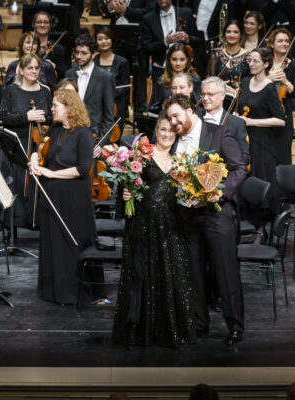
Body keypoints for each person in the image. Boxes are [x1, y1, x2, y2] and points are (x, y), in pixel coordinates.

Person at [163, 94, 247, 345]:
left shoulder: (219, 133)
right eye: (169, 118)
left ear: (190, 111)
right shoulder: (174, 141)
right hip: (187, 214)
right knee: (195, 273)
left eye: (176, 116)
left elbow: (239, 168)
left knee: (225, 271)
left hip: (216, 214)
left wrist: (222, 191)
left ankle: (235, 326)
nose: (173, 122)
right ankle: (200, 324)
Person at [112, 115, 196, 348]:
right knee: (142, 275)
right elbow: (124, 185)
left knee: (169, 275)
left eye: (171, 131)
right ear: (156, 132)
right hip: (143, 224)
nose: (166, 135)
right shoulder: (142, 156)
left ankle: (166, 330)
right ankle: (140, 333)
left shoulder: (181, 160)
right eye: (162, 130)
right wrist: (125, 193)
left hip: (170, 226)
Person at [29, 89, 102, 305]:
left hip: (74, 199)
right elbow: (39, 146)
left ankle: (74, 292)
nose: (51, 109)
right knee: (54, 244)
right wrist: (35, 159)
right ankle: (54, 292)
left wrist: (52, 173)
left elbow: (82, 168)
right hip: (52, 196)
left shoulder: (84, 134)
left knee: (71, 246)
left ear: (69, 108)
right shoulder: (55, 129)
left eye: (55, 106)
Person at [236, 47, 285, 243]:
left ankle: (261, 229)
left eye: (255, 61)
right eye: (249, 60)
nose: (251, 63)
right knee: (244, 183)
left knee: (260, 183)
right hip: (245, 141)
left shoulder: (269, 88)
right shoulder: (245, 82)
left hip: (262, 143)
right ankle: (246, 225)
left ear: (266, 64)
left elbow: (280, 120)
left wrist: (253, 122)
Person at [0, 53, 52, 230]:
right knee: (15, 187)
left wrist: (45, 120)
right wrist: (26, 116)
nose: (34, 71)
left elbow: (51, 118)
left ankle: (34, 223)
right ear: (21, 70)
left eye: (37, 68)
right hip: (15, 146)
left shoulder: (45, 91)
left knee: (33, 189)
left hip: (37, 146)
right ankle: (11, 228)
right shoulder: (11, 90)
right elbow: (3, 116)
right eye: (30, 68)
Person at [65, 34, 115, 153]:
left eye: (84, 53)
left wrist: (100, 144)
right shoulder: (69, 74)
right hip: (69, 134)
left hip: (93, 138)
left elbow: (109, 117)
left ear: (94, 54)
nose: (79, 56)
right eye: (77, 52)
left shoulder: (105, 78)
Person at [140, 0, 198, 83]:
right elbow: (146, 48)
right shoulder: (148, 18)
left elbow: (197, 41)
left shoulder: (186, 13)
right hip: (161, 69)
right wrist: (165, 42)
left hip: (185, 68)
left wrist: (187, 38)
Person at [268, 27, 295, 165]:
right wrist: (269, 78)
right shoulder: (264, 64)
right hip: (264, 114)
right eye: (280, 41)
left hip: (284, 116)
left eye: (287, 41)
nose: (284, 44)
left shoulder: (292, 66)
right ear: (272, 44)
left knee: (283, 156)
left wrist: (286, 82)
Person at [201, 76, 250, 166]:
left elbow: (245, 157)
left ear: (222, 95)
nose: (205, 98)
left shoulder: (237, 123)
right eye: (203, 94)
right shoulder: (196, 118)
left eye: (210, 94)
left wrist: (222, 167)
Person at [187, 0, 237, 78]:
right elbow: (189, 11)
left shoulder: (227, 2)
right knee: (196, 76)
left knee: (212, 75)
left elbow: (231, 23)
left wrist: (225, 43)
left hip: (215, 44)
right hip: (196, 42)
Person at [94, 26, 130, 133]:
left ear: (112, 40)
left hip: (116, 106)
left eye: (107, 38)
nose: (104, 42)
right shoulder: (93, 61)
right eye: (100, 39)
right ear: (96, 41)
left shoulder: (121, 62)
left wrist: (109, 93)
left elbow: (125, 87)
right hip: (97, 106)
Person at [148, 43, 201, 114]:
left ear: (187, 60)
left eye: (182, 59)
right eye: (174, 59)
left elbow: (200, 107)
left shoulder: (195, 80)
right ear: (169, 60)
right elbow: (153, 109)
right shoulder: (161, 81)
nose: (178, 63)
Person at [207, 20, 249, 91]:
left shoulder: (249, 56)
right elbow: (208, 81)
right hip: (219, 97)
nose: (231, 35)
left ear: (241, 34)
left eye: (235, 32)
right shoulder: (216, 55)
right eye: (228, 32)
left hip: (241, 98)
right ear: (224, 34)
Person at [31, 11, 69, 78]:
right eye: (39, 22)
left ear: (50, 25)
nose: (42, 25)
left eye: (46, 22)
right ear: (34, 25)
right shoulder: (28, 46)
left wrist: (55, 67)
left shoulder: (57, 48)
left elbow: (64, 73)